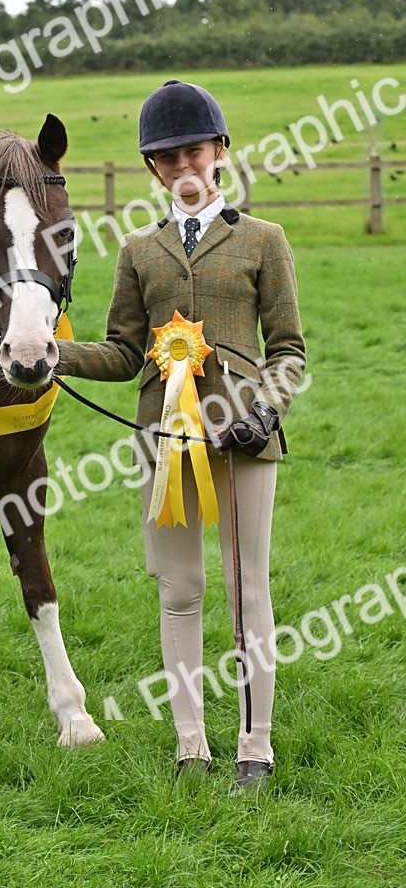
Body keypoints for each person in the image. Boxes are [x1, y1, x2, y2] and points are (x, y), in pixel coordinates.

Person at [57, 79, 306, 795]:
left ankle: (254, 746)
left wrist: (269, 403)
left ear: (221, 152)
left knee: (246, 589)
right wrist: (56, 353)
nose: (181, 167)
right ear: (152, 169)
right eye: (164, 158)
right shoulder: (139, 250)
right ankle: (189, 744)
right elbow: (122, 353)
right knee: (179, 586)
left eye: (192, 150)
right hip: (166, 440)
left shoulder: (264, 241)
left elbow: (289, 348)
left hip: (246, 435)